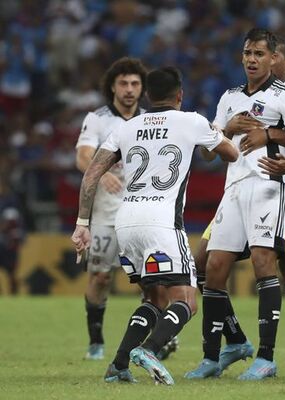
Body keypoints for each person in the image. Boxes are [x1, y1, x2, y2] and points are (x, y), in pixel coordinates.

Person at [71, 66, 238, 385]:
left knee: (155, 300)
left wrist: (82, 222)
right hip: (162, 222)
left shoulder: (127, 127)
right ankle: (150, 349)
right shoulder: (192, 121)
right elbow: (229, 153)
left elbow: (92, 173)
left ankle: (118, 365)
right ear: (180, 95)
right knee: (187, 299)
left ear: (147, 94)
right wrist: (209, 136)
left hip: (126, 222)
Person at [186, 35, 285, 381]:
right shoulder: (229, 97)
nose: (252, 59)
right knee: (213, 265)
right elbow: (206, 151)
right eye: (247, 52)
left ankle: (265, 357)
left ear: (272, 58)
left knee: (267, 262)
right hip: (232, 189)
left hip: (269, 187)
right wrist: (225, 131)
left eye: (259, 53)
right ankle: (210, 356)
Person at [75, 57, 149, 361]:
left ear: (142, 87)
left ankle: (153, 341)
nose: (129, 89)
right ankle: (96, 340)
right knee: (101, 277)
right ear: (112, 86)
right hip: (105, 215)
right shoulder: (98, 119)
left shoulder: (150, 120)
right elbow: (82, 157)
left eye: (134, 83)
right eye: (123, 83)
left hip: (143, 212)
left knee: (151, 280)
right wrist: (101, 172)